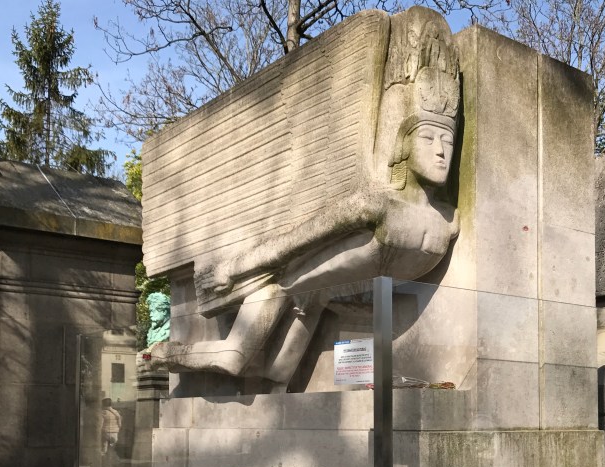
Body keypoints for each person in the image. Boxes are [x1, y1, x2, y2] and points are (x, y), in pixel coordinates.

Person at [145, 9, 460, 389]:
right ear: (404, 145)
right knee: (233, 359)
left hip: (317, 301)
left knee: (276, 373)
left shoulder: (448, 221)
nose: (441, 151)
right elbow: (297, 241)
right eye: (428, 138)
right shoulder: (375, 206)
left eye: (448, 140)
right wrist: (235, 269)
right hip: (276, 285)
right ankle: (164, 354)